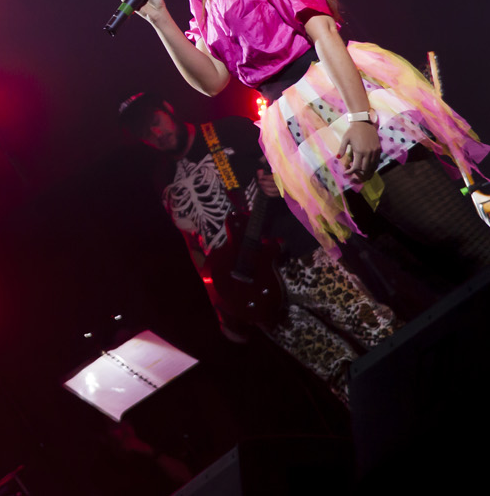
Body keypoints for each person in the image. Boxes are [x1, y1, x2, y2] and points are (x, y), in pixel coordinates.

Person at [119, 0, 490, 297]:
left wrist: (362, 118)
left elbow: (323, 31)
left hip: (334, 94)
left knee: (458, 237)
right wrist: (160, 20)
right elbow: (213, 81)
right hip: (297, 125)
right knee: (415, 265)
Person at [118, 92, 398, 403]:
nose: (157, 134)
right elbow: (193, 243)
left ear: (167, 107)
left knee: (371, 324)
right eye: (146, 134)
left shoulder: (230, 130)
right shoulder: (162, 179)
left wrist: (282, 183)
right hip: (250, 290)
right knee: (335, 370)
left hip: (297, 257)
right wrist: (220, 303)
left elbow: (298, 163)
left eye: (155, 121)